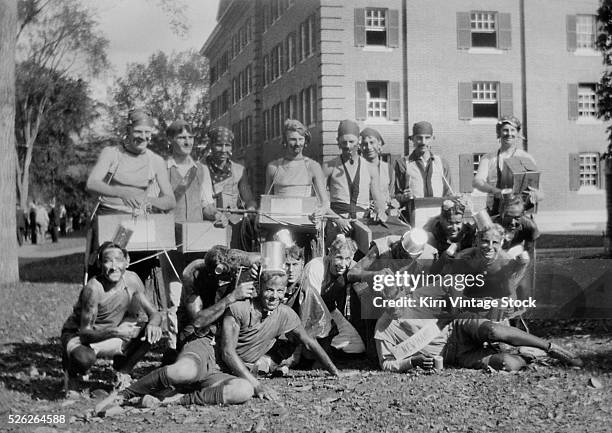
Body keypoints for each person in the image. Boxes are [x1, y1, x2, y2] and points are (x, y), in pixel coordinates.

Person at [97, 269, 340, 410]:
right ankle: (125, 394)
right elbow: (226, 352)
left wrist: (335, 372)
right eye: (268, 289)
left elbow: (309, 342)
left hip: (228, 372)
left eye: (279, 291)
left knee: (242, 390)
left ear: (285, 291)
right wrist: (258, 384)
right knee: (185, 371)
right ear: (259, 287)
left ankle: (172, 400)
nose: (273, 296)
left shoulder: (285, 314)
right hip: (208, 352)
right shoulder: (241, 308)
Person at [85, 108, 175, 281]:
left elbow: (170, 201)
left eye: (147, 133)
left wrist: (148, 200)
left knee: (138, 276)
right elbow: (92, 183)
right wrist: (121, 192)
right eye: (138, 131)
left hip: (138, 225)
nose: (143, 137)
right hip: (110, 223)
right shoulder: (112, 154)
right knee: (110, 275)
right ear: (127, 130)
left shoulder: (155, 161)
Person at [60, 242, 163, 392]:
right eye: (108, 261)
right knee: (84, 359)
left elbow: (154, 313)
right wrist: (115, 332)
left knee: (151, 333)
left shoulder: (132, 279)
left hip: (113, 332)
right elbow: (84, 333)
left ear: (127, 261)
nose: (114, 266)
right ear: (101, 264)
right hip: (82, 336)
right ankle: (72, 373)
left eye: (118, 260)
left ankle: (123, 372)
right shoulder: (93, 289)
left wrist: (154, 324)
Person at [375, 305, 583, 373]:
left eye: (398, 296)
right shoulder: (383, 328)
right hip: (456, 355)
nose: (396, 305)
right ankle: (526, 354)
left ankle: (549, 347)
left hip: (459, 327)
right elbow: (386, 364)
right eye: (389, 301)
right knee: (506, 363)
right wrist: (413, 361)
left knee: (495, 332)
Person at [162, 120, 220, 354]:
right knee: (174, 293)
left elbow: (207, 204)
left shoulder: (201, 169)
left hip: (197, 239)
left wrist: (216, 215)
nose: (187, 141)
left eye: (190, 137)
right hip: (170, 237)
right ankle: (172, 345)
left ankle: (196, 343)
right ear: (170, 141)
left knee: (198, 291)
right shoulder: (162, 168)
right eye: (181, 137)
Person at [323, 120, 387, 236]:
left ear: (359, 141)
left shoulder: (370, 168)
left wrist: (379, 210)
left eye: (351, 141)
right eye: (344, 142)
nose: (347, 146)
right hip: (337, 225)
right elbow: (320, 202)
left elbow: (378, 199)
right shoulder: (328, 167)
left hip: (363, 224)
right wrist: (338, 220)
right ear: (338, 142)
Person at [472, 115, 541, 215]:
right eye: (505, 130)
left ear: (518, 133)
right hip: (495, 212)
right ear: (499, 132)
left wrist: (534, 195)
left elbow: (540, 192)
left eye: (512, 130)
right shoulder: (488, 158)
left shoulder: (526, 158)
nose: (509, 134)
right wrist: (495, 191)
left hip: (519, 213)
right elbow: (477, 181)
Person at [203, 126, 257, 250]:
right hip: (208, 224)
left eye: (227, 145)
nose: (223, 150)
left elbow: (248, 198)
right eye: (218, 145)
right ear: (211, 145)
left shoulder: (238, 170)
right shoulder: (201, 168)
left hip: (233, 227)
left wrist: (251, 209)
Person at [394, 121, 452, 223]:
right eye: (419, 138)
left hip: (439, 218)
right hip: (415, 217)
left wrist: (453, 200)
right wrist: (404, 197)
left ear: (433, 138)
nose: (423, 142)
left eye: (427, 138)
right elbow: (396, 196)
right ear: (412, 139)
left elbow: (449, 194)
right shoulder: (403, 163)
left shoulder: (442, 163)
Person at [265, 119, 330, 210]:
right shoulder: (273, 167)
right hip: (279, 222)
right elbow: (266, 202)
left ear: (305, 141)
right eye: (293, 139)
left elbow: (325, 202)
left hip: (305, 221)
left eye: (301, 139)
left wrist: (321, 211)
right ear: (285, 141)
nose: (298, 144)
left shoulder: (313, 166)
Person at [423, 197, 476, 264]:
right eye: (450, 223)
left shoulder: (470, 232)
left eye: (458, 223)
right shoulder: (433, 233)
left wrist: (458, 247)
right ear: (441, 220)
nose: (454, 228)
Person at [359, 127, 392, 204]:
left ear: (379, 144)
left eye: (372, 142)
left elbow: (393, 194)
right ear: (360, 147)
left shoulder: (388, 168)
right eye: (365, 144)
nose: (369, 147)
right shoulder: (356, 168)